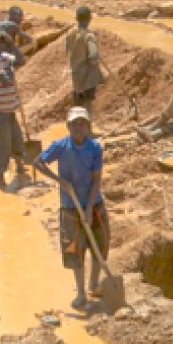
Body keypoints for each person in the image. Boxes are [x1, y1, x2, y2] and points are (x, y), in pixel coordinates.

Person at [34, 107, 108, 311]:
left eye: (82, 123)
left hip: (94, 204)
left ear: (88, 127)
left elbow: (97, 180)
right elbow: (37, 162)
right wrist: (60, 181)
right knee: (75, 250)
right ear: (68, 126)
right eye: (74, 123)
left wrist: (89, 208)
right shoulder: (60, 146)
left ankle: (94, 284)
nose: (78, 127)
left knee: (99, 246)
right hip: (69, 206)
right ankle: (81, 293)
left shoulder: (95, 148)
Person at [0, 32, 27, 190]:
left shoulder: (4, 56)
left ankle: (20, 166)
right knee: (2, 143)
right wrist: (9, 64)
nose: (2, 45)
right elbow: (5, 80)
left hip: (9, 109)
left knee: (16, 136)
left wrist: (12, 46)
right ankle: (0, 179)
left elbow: (22, 61)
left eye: (4, 43)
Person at [65, 6, 104, 113]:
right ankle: (85, 127)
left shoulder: (70, 34)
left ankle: (76, 126)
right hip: (87, 78)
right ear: (89, 19)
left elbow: (67, 51)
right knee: (86, 104)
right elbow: (93, 56)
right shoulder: (89, 36)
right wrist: (95, 61)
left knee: (78, 103)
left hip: (76, 75)